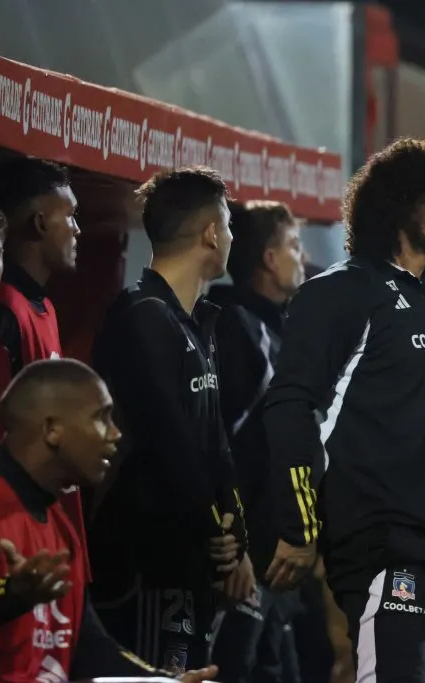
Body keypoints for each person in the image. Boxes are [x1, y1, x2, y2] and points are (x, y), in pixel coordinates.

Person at [263, 137, 425, 682]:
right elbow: (290, 407)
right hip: (384, 550)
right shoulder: (338, 292)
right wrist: (300, 526)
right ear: (407, 205)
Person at [87, 167, 253, 673]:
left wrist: (235, 537)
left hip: (191, 553)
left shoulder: (196, 320)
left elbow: (215, 441)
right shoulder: (143, 315)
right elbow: (170, 444)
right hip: (146, 557)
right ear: (209, 232)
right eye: (227, 224)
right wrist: (216, 537)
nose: (230, 237)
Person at [0, 358, 218, 682]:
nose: (115, 434)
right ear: (52, 429)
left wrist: (161, 681)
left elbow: (91, 647)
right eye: (101, 418)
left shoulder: (62, 528)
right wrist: (9, 597)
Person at [208, 200, 306, 683]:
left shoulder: (280, 328)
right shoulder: (235, 328)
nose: (301, 258)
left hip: (279, 553)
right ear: (269, 258)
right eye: (293, 245)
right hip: (246, 555)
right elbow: (220, 445)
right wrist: (233, 542)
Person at [0, 156, 87, 576]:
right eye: (69, 215)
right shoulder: (6, 312)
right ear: (38, 223)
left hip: (51, 526)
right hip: (16, 536)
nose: (78, 229)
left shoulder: (44, 306)